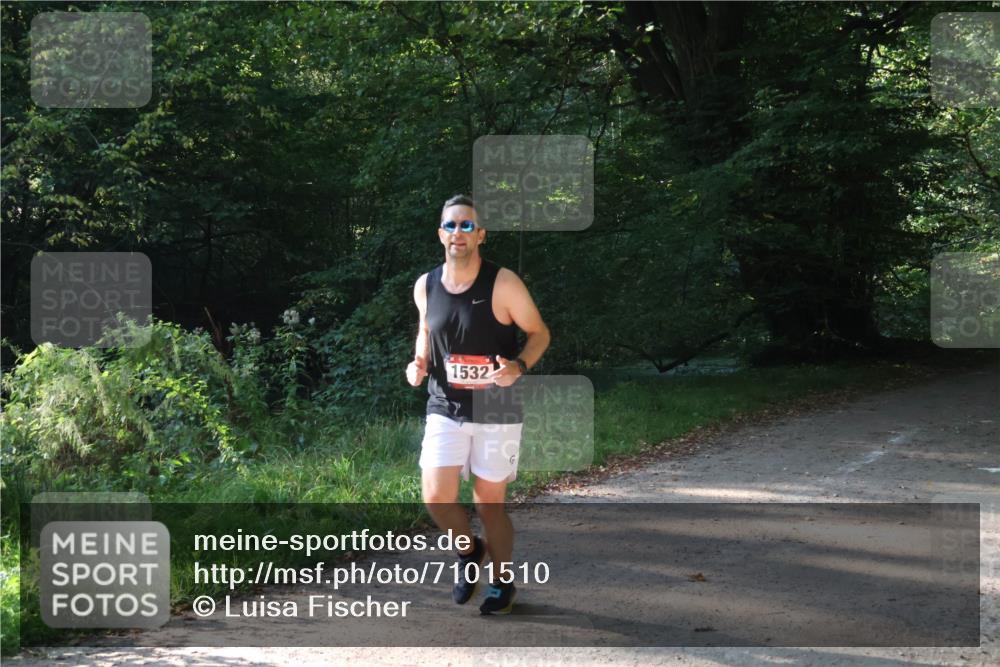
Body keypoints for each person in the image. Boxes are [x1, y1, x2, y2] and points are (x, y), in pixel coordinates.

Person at [406, 194, 550, 615]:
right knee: (436, 497)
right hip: (444, 405)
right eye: (451, 226)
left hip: (496, 410)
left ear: (481, 235)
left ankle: (503, 583)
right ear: (440, 234)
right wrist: (418, 363)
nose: (458, 233)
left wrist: (519, 366)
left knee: (490, 504)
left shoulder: (503, 284)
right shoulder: (425, 285)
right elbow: (424, 332)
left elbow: (539, 333)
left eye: (467, 226)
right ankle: (470, 552)